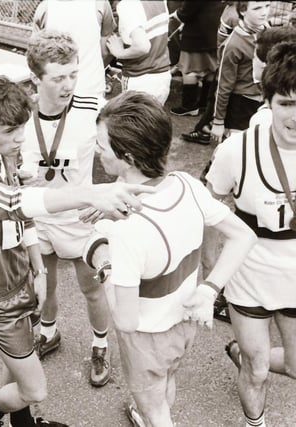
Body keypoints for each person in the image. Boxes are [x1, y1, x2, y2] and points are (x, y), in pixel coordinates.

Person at [0, 74, 155, 427]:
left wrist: (38, 268)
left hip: (21, 279)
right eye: (10, 131)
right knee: (34, 389)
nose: (20, 138)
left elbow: (22, 218)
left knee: (16, 363)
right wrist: (89, 194)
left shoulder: (3, 153)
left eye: (22, 127)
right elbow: (16, 201)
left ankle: (19, 423)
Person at [85, 91, 256, 427]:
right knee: (165, 382)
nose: (97, 149)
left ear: (129, 156)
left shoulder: (126, 231)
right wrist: (209, 289)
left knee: (156, 411)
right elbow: (244, 235)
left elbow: (126, 321)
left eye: (102, 144)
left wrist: (102, 259)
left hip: (148, 337)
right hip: (185, 321)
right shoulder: (186, 184)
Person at [205, 41, 296, 427]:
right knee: (257, 371)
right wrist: (214, 275)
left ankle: (240, 352)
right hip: (250, 276)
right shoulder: (237, 150)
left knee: (293, 366)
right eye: (286, 103)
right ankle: (254, 422)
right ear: (269, 102)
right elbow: (208, 207)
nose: (294, 116)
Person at [19, 30, 112, 388]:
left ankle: (101, 346)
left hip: (79, 219)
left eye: (73, 74)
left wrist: (103, 203)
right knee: (45, 285)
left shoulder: (92, 110)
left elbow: (115, 160)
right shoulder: (20, 116)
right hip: (38, 219)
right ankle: (49, 333)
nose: (68, 84)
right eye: (58, 77)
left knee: (92, 290)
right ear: (36, 79)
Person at [211, 1, 270, 143]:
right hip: (241, 105)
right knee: (236, 149)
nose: (264, 12)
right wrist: (218, 120)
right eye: (257, 8)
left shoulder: (266, 29)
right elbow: (223, 86)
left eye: (267, 6)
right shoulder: (232, 45)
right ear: (243, 11)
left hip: (263, 101)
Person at [106, 0, 170, 105]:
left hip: (139, 78)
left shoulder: (128, 5)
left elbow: (143, 46)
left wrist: (119, 52)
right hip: (162, 76)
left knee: (132, 120)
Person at [169, 1, 225, 117]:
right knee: (211, 69)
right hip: (214, 31)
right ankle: (205, 104)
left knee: (189, 70)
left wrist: (178, 14)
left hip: (196, 35)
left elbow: (187, 12)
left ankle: (189, 106)